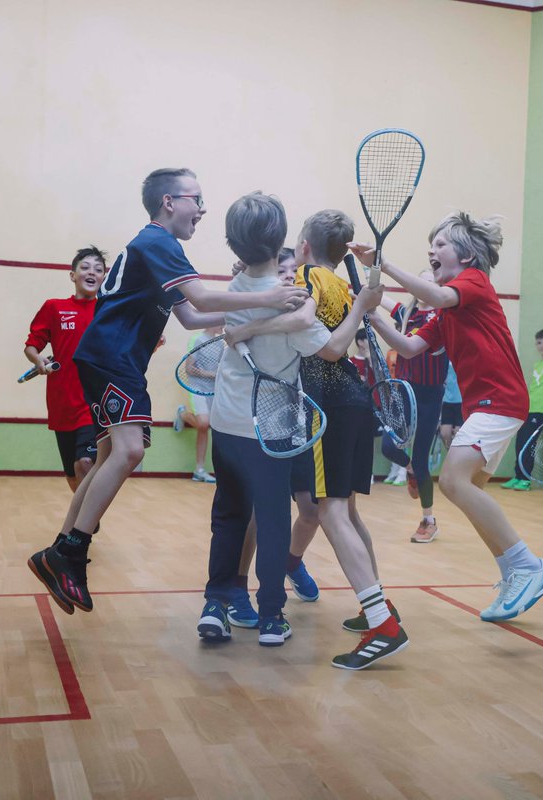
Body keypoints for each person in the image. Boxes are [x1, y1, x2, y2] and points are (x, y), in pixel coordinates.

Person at [26, 168, 306, 615]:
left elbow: (194, 319)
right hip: (113, 357)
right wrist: (273, 297)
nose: (203, 209)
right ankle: (70, 553)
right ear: (170, 202)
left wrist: (255, 319)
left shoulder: (159, 250)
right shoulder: (158, 241)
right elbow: (203, 300)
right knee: (130, 450)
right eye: (197, 199)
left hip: (107, 358)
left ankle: (60, 549)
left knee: (106, 458)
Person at [351, 212, 543, 622]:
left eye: (440, 244)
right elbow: (410, 347)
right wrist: (371, 315)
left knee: (451, 480)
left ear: (466, 253)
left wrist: (383, 264)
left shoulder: (474, 283)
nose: (432, 250)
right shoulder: (447, 313)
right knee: (469, 491)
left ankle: (529, 567)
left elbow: (441, 296)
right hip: (487, 405)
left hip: (499, 400)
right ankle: (512, 573)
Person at [225, 209, 400, 670]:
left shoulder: (303, 278)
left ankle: (382, 621)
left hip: (326, 405)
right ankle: (376, 606)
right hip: (357, 401)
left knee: (329, 511)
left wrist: (245, 328)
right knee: (346, 510)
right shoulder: (343, 283)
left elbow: (319, 339)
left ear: (303, 246)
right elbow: (352, 325)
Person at [197, 192, 332, 647]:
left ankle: (215, 604)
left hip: (226, 422)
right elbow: (330, 349)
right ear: (281, 244)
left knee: (228, 515)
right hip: (271, 430)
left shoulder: (227, 291)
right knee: (272, 520)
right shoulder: (291, 298)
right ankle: (272, 615)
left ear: (234, 246)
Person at [24, 247, 106, 491]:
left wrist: (152, 344)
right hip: (61, 403)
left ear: (103, 278)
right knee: (72, 474)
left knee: (85, 462)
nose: (92, 272)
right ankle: (84, 512)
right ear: (72, 275)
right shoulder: (54, 308)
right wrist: (39, 361)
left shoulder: (107, 311)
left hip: (93, 402)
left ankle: (85, 521)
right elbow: (31, 346)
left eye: (98, 269)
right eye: (85, 267)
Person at [378, 280, 449, 542]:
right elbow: (384, 302)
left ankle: (428, 520)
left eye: (428, 281)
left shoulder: (441, 317)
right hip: (404, 393)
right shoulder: (408, 314)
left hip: (430, 396)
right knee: (388, 446)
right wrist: (360, 291)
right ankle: (409, 470)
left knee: (421, 460)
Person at [503, 329, 543, 490]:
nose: (542, 346)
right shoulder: (538, 364)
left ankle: (525, 480)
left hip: (540, 410)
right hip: (529, 409)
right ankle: (518, 476)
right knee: (520, 442)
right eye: (539, 342)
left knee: (528, 443)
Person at [173, 324, 222, 483]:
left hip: (213, 390)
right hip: (197, 388)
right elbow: (188, 369)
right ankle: (182, 414)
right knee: (203, 423)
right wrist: (210, 374)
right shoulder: (197, 339)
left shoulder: (221, 344)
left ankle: (199, 470)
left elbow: (221, 369)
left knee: (207, 426)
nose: (225, 325)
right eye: (222, 321)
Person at [439, 361, 463, 448]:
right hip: (447, 400)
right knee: (444, 434)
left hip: (462, 400)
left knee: (458, 432)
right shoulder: (444, 357)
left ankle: (460, 457)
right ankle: (451, 453)